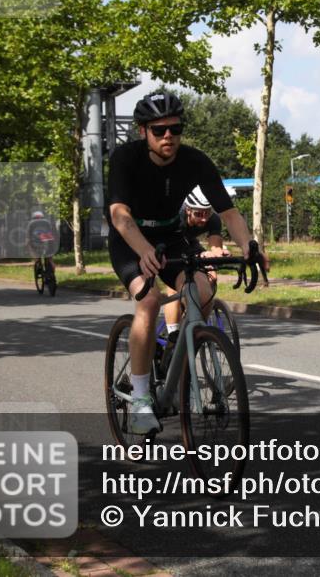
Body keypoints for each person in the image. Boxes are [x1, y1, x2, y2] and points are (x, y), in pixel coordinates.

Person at [107, 90, 267, 434]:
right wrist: (143, 250)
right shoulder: (125, 158)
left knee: (204, 291)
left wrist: (250, 245)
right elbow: (119, 215)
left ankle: (177, 367)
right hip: (129, 240)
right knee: (148, 301)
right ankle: (138, 399)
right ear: (143, 131)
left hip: (170, 237)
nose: (169, 136)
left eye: (175, 129)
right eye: (159, 130)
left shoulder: (195, 161)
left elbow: (229, 212)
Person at [161, 186, 228, 344]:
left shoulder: (213, 219)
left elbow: (215, 246)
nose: (204, 218)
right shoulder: (177, 217)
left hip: (190, 243)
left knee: (211, 273)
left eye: (207, 213)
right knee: (176, 281)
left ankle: (195, 319)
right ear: (188, 210)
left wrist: (218, 254)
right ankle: (173, 333)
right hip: (170, 244)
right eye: (199, 214)